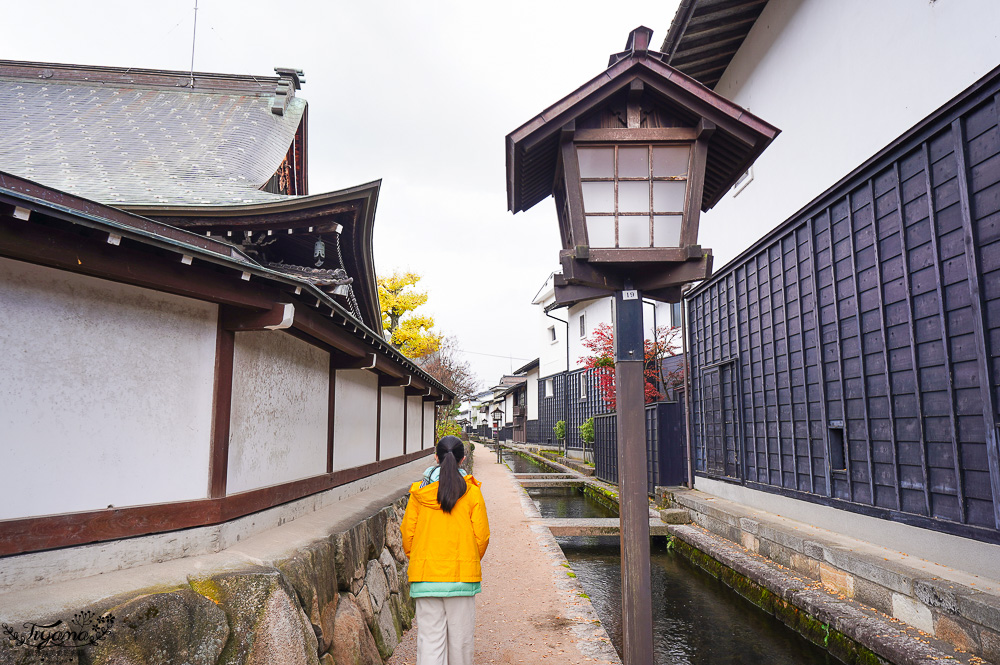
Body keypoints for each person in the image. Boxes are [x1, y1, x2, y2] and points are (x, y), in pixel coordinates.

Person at [401, 435, 490, 665]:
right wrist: (468, 559)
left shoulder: (419, 494)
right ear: (463, 459)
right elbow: (481, 537)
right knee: (460, 644)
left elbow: (408, 536)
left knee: (429, 643)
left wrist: (421, 560)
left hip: (426, 577)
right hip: (461, 578)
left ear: (436, 457)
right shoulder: (471, 492)